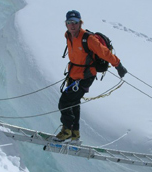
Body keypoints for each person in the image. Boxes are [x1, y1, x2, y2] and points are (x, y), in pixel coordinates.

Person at [55, 10, 127, 142]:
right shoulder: (68, 35)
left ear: (80, 23)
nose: (72, 25)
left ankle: (66, 130)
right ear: (66, 24)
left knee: (64, 102)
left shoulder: (88, 39)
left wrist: (118, 65)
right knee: (74, 103)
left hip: (86, 76)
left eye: (75, 22)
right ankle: (74, 133)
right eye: (69, 22)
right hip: (73, 74)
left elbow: (105, 53)